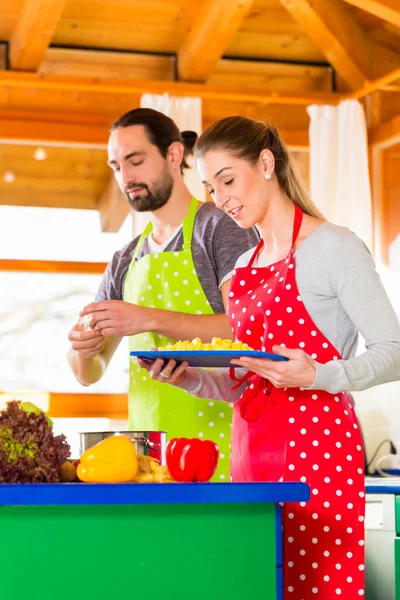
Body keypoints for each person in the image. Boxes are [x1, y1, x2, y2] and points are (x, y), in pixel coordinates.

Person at [138, 116, 400, 599]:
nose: (220, 199)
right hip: (251, 445)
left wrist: (319, 374)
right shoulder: (243, 266)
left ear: (265, 164)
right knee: (256, 581)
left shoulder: (333, 247)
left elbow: (394, 352)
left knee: (315, 586)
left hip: (318, 446)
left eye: (228, 180)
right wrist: (189, 379)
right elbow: (250, 378)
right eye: (210, 188)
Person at [67, 109, 259, 481]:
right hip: (151, 466)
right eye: (116, 165)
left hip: (226, 454)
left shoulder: (220, 228)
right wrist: (82, 347)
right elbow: (88, 374)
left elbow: (246, 331)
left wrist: (148, 318)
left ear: (173, 155)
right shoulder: (125, 259)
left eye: (135, 160)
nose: (125, 177)